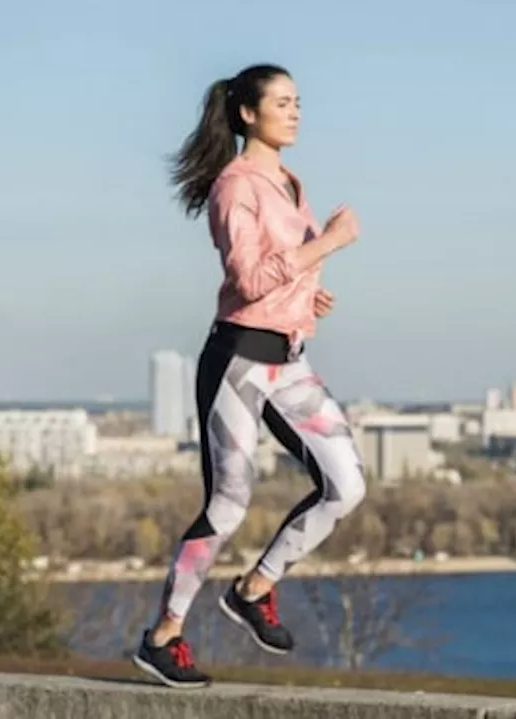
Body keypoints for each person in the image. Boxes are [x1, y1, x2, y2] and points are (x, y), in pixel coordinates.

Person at [132, 63, 367, 689]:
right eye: (282, 102)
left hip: (288, 360)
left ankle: (254, 589)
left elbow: (279, 277)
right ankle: (163, 637)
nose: (295, 112)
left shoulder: (290, 182)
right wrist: (330, 245)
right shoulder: (235, 186)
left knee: (346, 485)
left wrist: (306, 297)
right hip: (237, 359)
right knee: (229, 503)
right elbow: (245, 280)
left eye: (298, 102)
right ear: (247, 114)